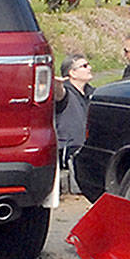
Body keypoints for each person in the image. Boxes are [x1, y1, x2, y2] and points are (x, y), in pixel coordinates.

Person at [54, 53, 94, 192]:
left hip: (90, 148)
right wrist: (57, 86)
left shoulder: (92, 93)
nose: (90, 68)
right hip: (71, 150)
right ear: (72, 73)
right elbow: (59, 96)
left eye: (88, 64)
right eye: (84, 66)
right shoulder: (66, 93)